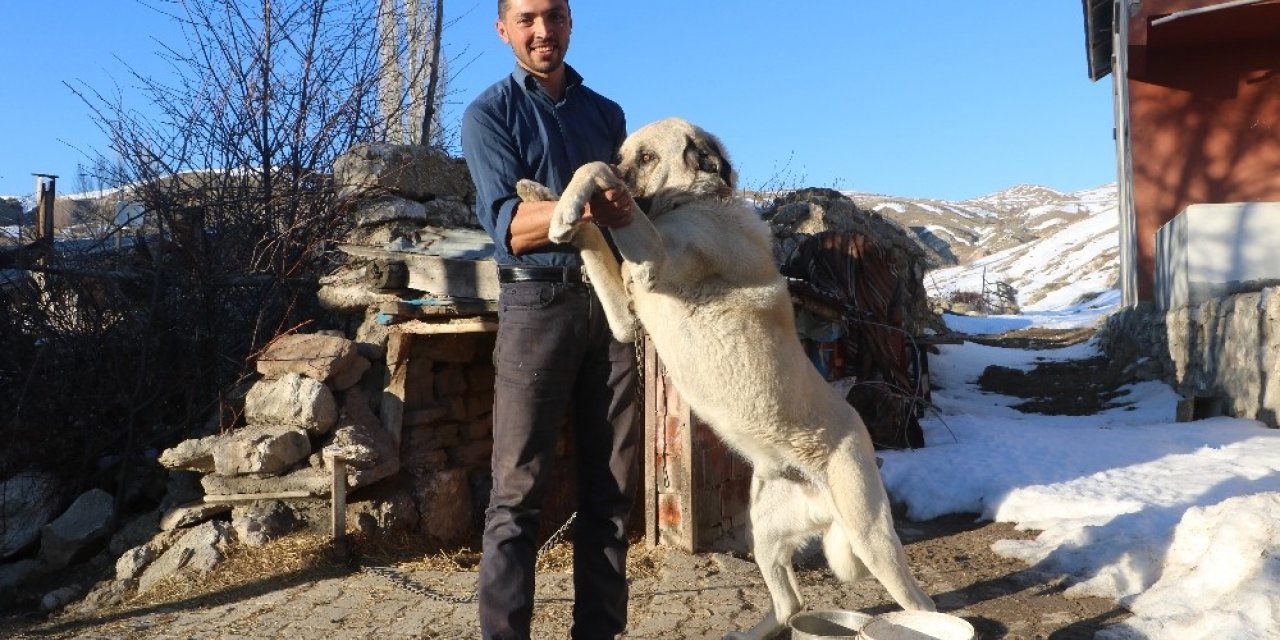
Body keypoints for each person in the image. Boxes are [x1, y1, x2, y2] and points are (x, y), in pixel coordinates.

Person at [459, 1, 641, 638]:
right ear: (503, 29)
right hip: (536, 307)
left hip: (612, 306)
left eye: (555, 16)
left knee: (613, 491)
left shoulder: (607, 115)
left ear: (571, 23)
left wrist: (621, 206)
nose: (543, 31)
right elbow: (511, 226)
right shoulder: (488, 115)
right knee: (517, 494)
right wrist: (589, 201)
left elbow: (630, 214)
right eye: (528, 18)